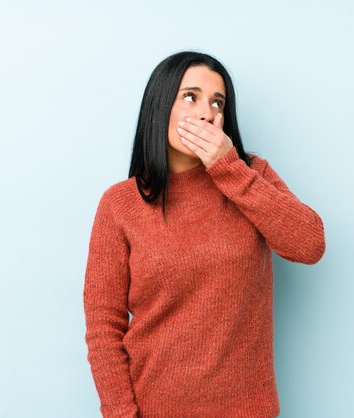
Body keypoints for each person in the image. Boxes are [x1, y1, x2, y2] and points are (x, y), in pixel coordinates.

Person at [83, 50, 326, 418]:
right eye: (190, 97)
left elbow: (309, 245)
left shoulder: (251, 175)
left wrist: (228, 168)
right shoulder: (120, 204)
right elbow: (103, 328)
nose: (206, 113)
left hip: (248, 409)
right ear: (161, 106)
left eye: (218, 102)